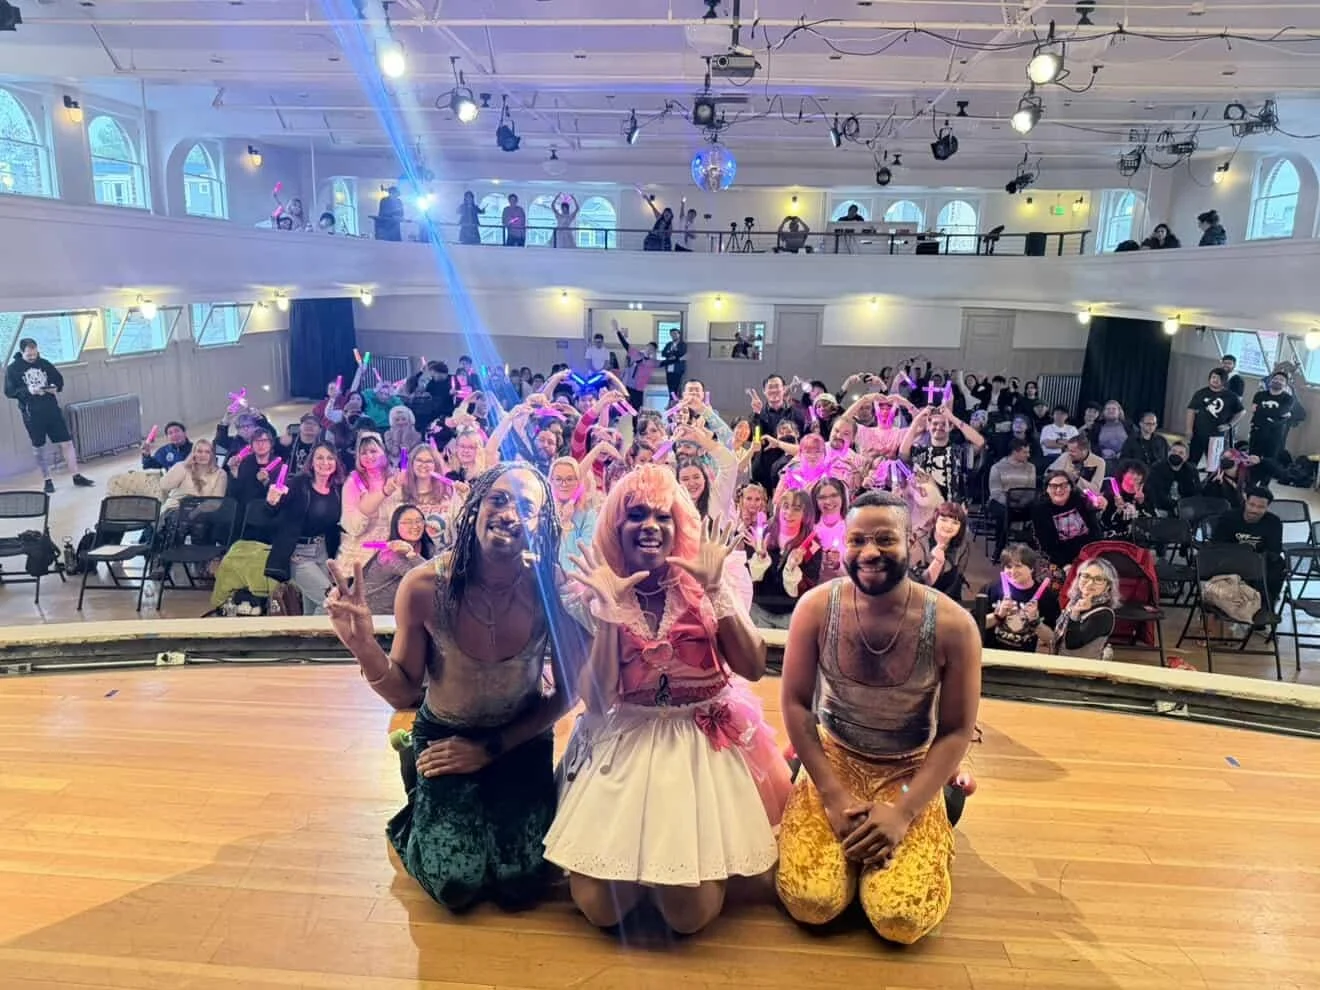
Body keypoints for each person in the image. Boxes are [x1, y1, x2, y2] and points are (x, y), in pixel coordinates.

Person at [325, 463, 586, 912]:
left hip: (518, 738)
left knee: (522, 883)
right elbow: (405, 692)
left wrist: (490, 748)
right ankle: (416, 785)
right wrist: (364, 646)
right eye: (498, 499)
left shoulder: (550, 587)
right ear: (474, 508)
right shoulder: (425, 586)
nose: (509, 513)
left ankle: (469, 804)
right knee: (456, 885)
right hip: (444, 736)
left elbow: (568, 692)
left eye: (525, 506)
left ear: (541, 524)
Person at [546, 465, 788, 934]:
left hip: (702, 739)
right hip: (626, 735)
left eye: (662, 516)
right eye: (636, 515)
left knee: (688, 916)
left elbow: (753, 667)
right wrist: (611, 614)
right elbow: (595, 701)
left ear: (680, 525)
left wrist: (717, 591)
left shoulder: (712, 575)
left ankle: (675, 864)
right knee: (599, 908)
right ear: (617, 527)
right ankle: (646, 861)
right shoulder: (591, 589)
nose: (650, 526)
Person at [776, 489, 981, 944]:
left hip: (909, 770)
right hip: (835, 759)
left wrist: (905, 811)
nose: (870, 553)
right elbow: (793, 703)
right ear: (843, 545)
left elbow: (955, 730)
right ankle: (846, 847)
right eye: (858, 541)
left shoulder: (953, 625)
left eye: (886, 540)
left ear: (912, 540)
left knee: (901, 919)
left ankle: (931, 817)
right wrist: (831, 795)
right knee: (813, 901)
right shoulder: (815, 608)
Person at [3, 338, 94, 491]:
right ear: (22, 352)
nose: (33, 357)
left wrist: (54, 387)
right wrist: (27, 391)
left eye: (35, 354)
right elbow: (9, 391)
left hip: (51, 409)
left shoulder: (44, 363)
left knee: (66, 442)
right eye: (29, 355)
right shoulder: (13, 369)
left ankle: (76, 475)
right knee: (39, 447)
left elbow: (58, 380)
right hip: (32, 413)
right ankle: (47, 479)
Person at [265, 442, 344, 614]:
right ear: (312, 462)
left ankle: (307, 638)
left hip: (322, 552)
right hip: (298, 554)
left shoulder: (337, 489)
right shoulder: (298, 484)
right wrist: (272, 502)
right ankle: (314, 639)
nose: (325, 462)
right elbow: (272, 512)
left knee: (314, 606)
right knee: (331, 603)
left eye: (330, 458)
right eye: (320, 458)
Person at [1210, 487, 1285, 603]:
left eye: (1261, 507)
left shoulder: (1274, 522)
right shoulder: (1229, 517)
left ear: (1267, 507)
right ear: (1245, 501)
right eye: (1252, 504)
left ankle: (1267, 603)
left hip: (1258, 560)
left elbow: (1274, 550)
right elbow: (1217, 544)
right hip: (1230, 559)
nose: (1254, 510)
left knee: (1279, 565)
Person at [983, 543, 1061, 652]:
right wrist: (998, 616)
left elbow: (1052, 640)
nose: (1013, 571)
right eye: (1008, 566)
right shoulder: (992, 588)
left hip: (1023, 658)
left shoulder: (1047, 598)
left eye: (1018, 566)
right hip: (990, 653)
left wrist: (1035, 622)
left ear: (1031, 568)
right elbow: (974, 625)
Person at [360, 504, 437, 614]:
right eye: (407, 522)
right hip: (375, 614)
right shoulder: (390, 553)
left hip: (402, 612)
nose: (415, 526)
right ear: (396, 526)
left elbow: (438, 573)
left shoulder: (427, 546)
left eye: (419, 521)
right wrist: (412, 555)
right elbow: (425, 575)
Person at [1038, 559, 1119, 659]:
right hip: (1060, 664)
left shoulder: (1104, 614)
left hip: (1081, 671)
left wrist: (1075, 613)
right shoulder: (1073, 601)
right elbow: (1058, 635)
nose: (1089, 583)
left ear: (1108, 586)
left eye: (1098, 579)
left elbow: (1072, 643)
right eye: (1086, 576)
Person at [1031, 472, 1101, 569]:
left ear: (1070, 487)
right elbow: (1046, 545)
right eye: (1053, 486)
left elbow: (1095, 531)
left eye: (1063, 485)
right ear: (1047, 489)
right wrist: (1065, 564)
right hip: (1061, 560)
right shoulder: (1040, 510)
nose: (1059, 489)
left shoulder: (1081, 501)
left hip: (1090, 553)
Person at [1185, 369, 1244, 471]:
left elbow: (1242, 412)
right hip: (1198, 433)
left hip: (1216, 437)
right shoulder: (1200, 393)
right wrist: (1189, 429)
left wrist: (1230, 425)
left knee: (1214, 466)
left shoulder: (1231, 396)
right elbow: (1191, 410)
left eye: (1219, 378)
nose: (1215, 380)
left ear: (1224, 381)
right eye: (1213, 377)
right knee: (1191, 463)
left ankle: (1210, 485)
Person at [987, 439, 1036, 560]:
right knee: (1004, 513)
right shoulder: (997, 467)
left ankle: (1034, 546)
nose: (1028, 455)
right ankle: (999, 549)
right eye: (1025, 452)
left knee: (1039, 509)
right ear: (1015, 452)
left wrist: (1022, 503)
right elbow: (996, 492)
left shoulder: (1031, 467)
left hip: (1022, 503)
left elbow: (1031, 490)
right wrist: (1010, 504)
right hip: (1000, 502)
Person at [909, 501, 970, 600]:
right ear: (935, 520)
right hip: (921, 596)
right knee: (929, 615)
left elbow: (958, 577)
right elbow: (920, 583)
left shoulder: (962, 545)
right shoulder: (920, 540)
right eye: (944, 520)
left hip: (948, 596)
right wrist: (938, 562)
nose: (949, 526)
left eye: (955, 523)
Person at [157, 438, 227, 514]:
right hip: (174, 509)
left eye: (207, 452)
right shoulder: (182, 466)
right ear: (193, 453)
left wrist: (196, 511)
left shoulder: (220, 473)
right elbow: (164, 485)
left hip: (201, 513)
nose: (203, 455)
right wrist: (182, 468)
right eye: (199, 451)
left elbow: (215, 502)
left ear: (212, 455)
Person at [1249, 371, 1293, 461]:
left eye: (1281, 380)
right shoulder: (1260, 395)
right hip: (1257, 432)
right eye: (1275, 379)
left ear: (1285, 384)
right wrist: (1276, 414)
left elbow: (1281, 411)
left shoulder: (1288, 398)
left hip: (1275, 435)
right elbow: (1254, 410)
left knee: (1269, 461)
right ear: (1270, 381)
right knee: (1252, 459)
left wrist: (1261, 410)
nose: (1277, 381)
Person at [1147, 440, 1201, 514]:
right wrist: (1173, 506)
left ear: (1186, 457)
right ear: (1168, 453)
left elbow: (1196, 492)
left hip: (1183, 507)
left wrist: (1182, 506)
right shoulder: (1157, 468)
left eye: (1181, 453)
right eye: (1173, 451)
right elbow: (1155, 493)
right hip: (1161, 506)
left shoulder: (1192, 470)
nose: (1176, 454)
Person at [660, 327, 687, 399]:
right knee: (669, 386)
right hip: (669, 368)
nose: (673, 335)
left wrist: (671, 353)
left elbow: (681, 353)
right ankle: (671, 401)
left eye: (675, 334)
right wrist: (672, 354)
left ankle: (674, 402)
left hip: (678, 369)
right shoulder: (669, 344)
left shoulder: (682, 344)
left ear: (679, 334)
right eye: (671, 334)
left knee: (676, 387)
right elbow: (663, 353)